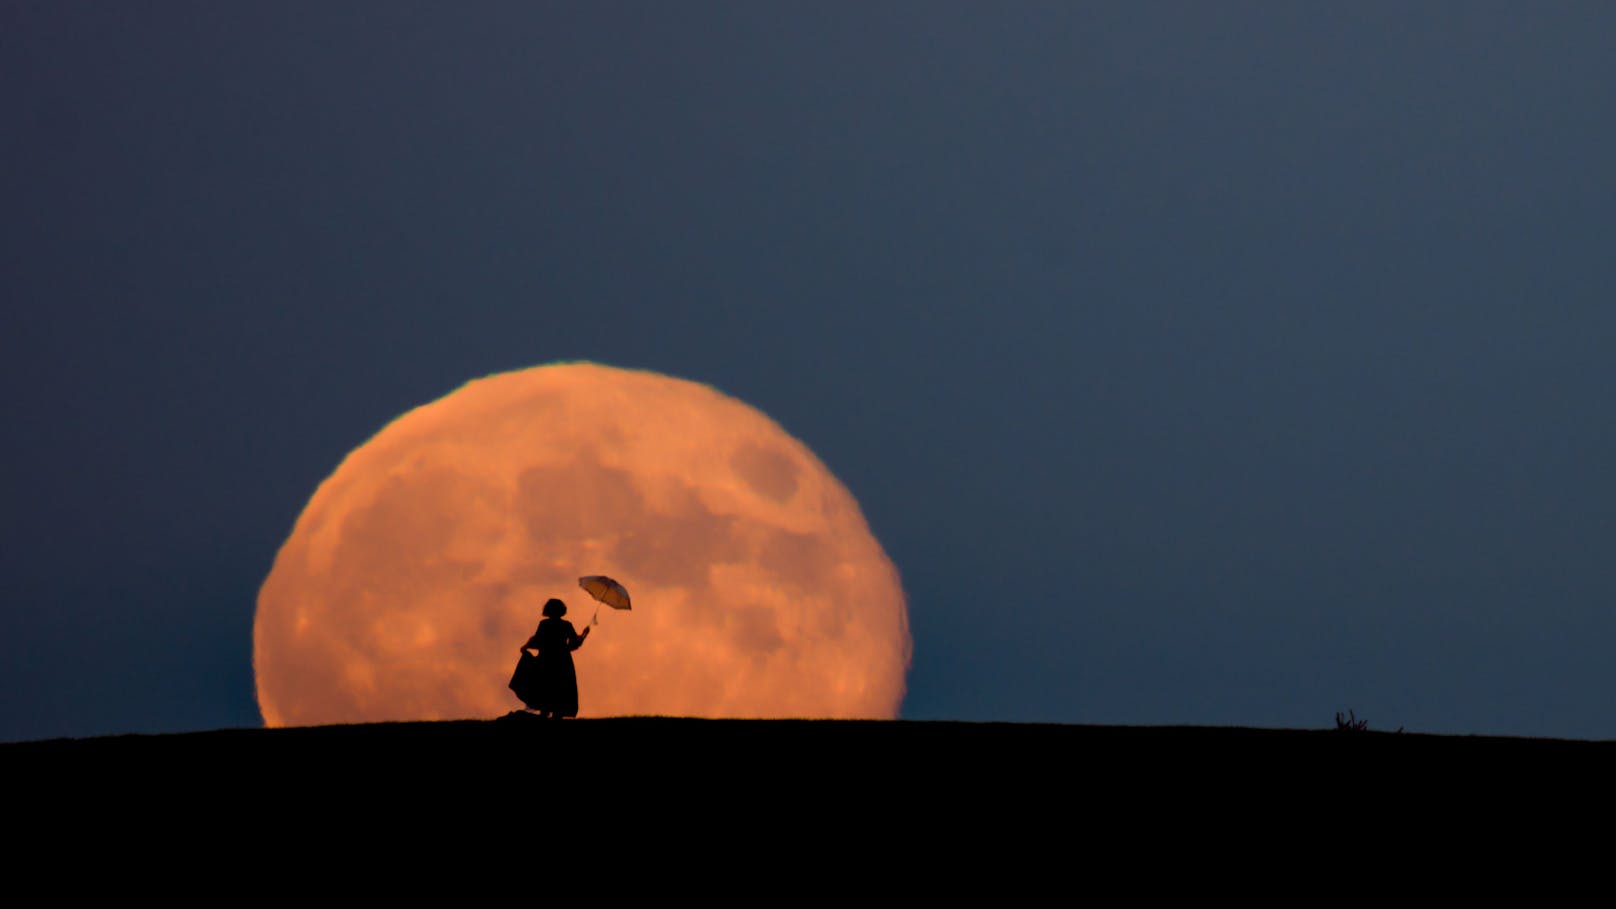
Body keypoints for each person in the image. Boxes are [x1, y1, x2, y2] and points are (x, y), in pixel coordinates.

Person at [517, 597, 590, 718]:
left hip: (546, 659)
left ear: (548, 610)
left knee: (546, 688)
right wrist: (584, 634)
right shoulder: (566, 625)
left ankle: (544, 715)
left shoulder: (544, 624)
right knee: (560, 689)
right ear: (562, 610)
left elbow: (537, 640)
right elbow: (574, 644)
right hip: (563, 661)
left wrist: (526, 647)